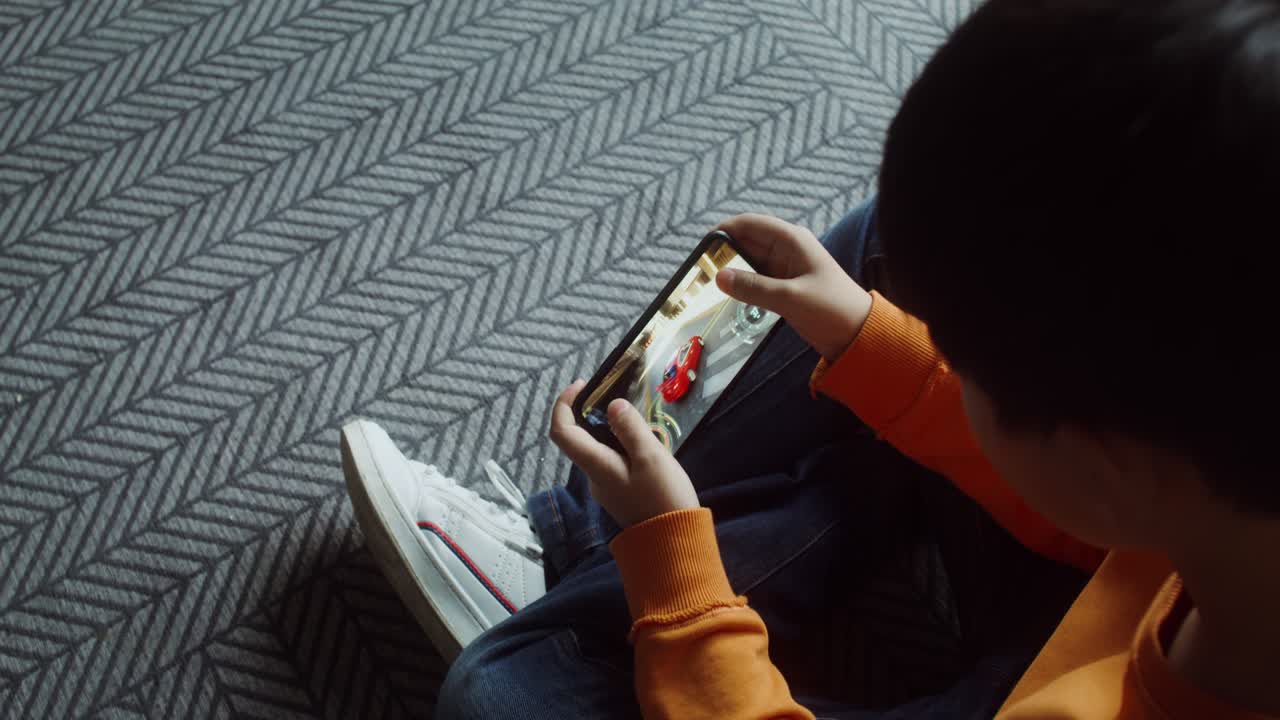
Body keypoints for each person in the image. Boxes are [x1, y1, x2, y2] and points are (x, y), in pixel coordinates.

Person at [340, 0, 1280, 717]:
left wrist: (680, 583)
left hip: (1053, 673)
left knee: (501, 695)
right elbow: (1117, 521)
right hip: (1142, 568)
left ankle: (600, 571)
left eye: (973, 370)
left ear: (1110, 467)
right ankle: (603, 557)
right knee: (886, 260)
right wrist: (876, 348)